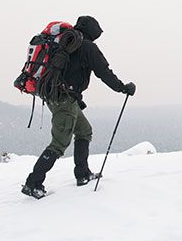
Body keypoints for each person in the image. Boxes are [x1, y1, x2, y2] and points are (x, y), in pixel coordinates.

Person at [21, 15, 136, 199]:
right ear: (93, 31)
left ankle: (82, 174)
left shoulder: (65, 42)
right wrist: (123, 88)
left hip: (57, 95)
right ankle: (33, 183)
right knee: (59, 144)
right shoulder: (87, 47)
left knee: (84, 131)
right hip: (63, 99)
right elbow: (104, 72)